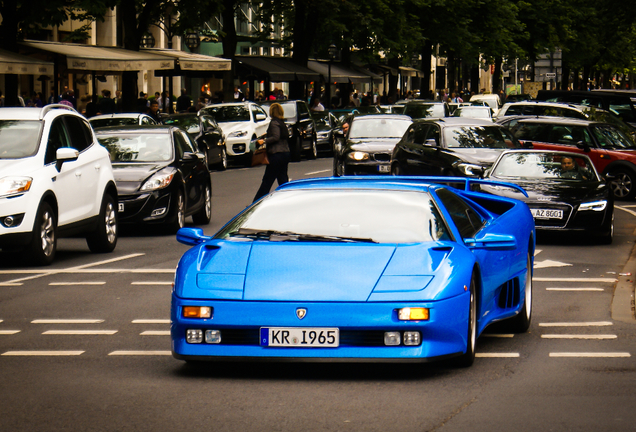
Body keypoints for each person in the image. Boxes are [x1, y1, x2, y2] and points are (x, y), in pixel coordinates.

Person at [252, 103, 291, 202]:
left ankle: (256, 203)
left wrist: (264, 141)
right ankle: (289, 200)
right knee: (283, 180)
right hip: (285, 153)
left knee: (267, 181)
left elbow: (276, 137)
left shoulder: (274, 122)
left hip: (276, 154)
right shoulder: (282, 123)